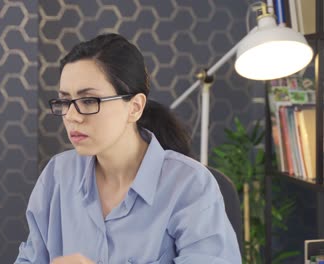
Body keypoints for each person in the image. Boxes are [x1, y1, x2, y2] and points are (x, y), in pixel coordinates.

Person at [15, 33, 241, 263]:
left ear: (134, 107)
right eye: (65, 101)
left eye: (89, 101)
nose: (72, 116)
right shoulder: (57, 176)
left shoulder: (189, 185)